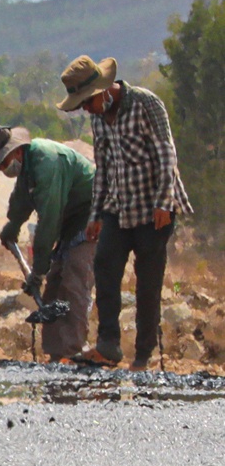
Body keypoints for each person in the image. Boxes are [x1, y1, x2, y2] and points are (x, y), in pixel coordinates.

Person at [56, 55, 192, 370]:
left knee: (147, 281)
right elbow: (103, 168)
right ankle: (108, 346)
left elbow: (165, 153)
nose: (86, 109)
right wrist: (96, 214)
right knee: (105, 268)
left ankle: (143, 356)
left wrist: (163, 202)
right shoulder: (98, 117)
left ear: (104, 90)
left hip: (154, 208)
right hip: (119, 208)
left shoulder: (145, 103)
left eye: (86, 102)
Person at [0, 125, 95, 361]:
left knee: (73, 276)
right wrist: (12, 226)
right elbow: (21, 201)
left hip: (93, 216)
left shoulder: (47, 162)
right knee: (54, 285)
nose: (3, 169)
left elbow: (49, 221)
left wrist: (38, 270)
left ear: (17, 152)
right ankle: (57, 353)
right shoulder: (27, 169)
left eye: (3, 163)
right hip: (70, 220)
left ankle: (73, 350)